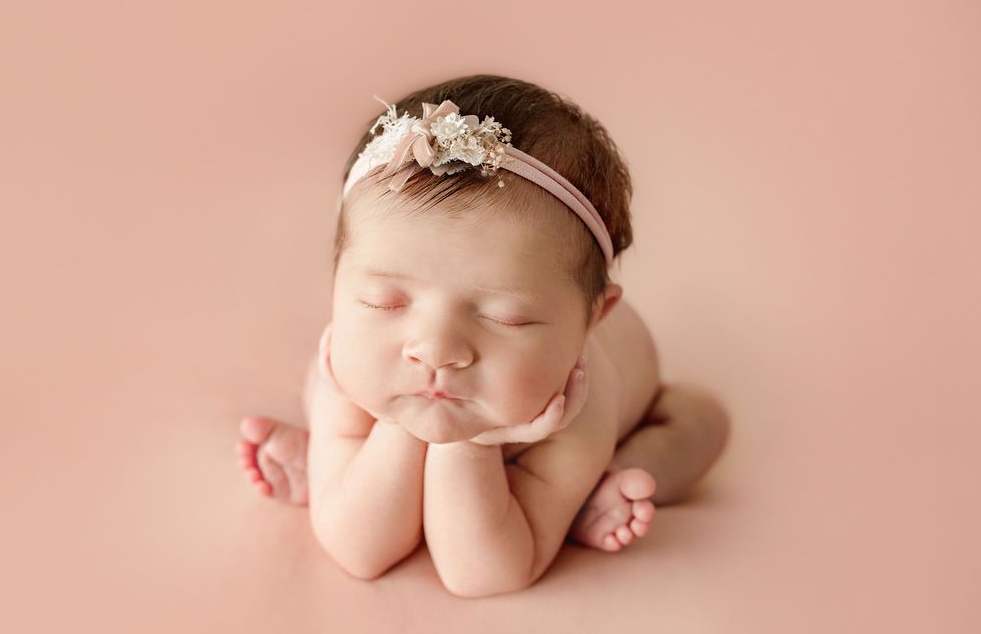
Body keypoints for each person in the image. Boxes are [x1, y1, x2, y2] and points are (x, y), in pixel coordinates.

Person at [235, 74, 730, 597]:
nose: (435, 350)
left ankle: (598, 488)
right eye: (384, 302)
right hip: (396, 398)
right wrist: (400, 426)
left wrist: (468, 444)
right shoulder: (351, 365)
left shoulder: (579, 408)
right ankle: (342, 468)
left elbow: (481, 573)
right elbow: (361, 553)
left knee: (703, 422)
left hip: (624, 416)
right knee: (331, 400)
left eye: (505, 318)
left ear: (592, 321)